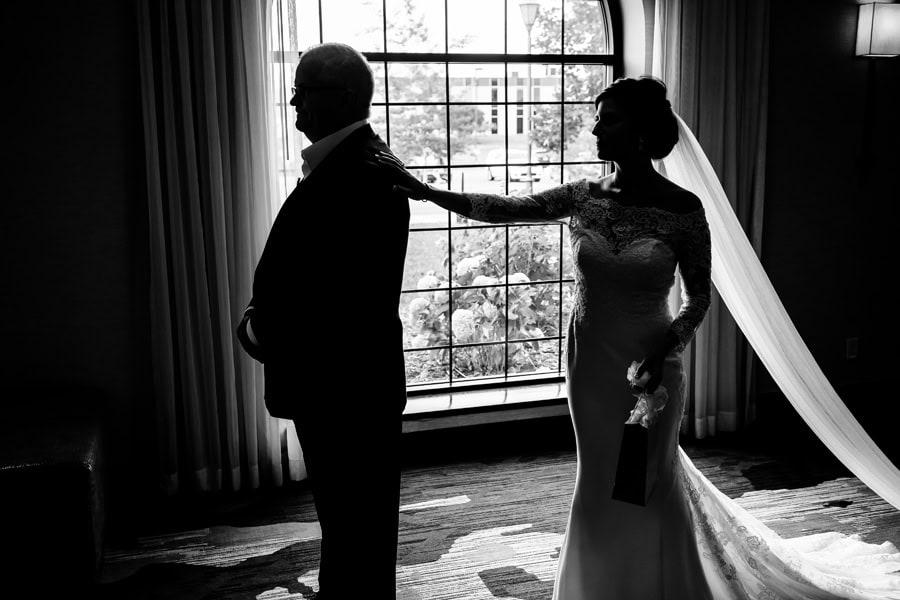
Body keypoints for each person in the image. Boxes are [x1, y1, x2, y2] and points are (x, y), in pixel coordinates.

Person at [373, 76, 900, 599]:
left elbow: (698, 301)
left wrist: (662, 350)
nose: (596, 126)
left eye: (610, 117)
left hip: (651, 369)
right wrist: (427, 192)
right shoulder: (583, 196)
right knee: (602, 480)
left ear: (643, 131)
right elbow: (507, 208)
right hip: (591, 366)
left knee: (642, 484)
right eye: (597, 116)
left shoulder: (684, 210)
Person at [237, 42, 409, 599]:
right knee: (350, 525)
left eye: (303, 90)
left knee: (356, 527)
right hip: (344, 385)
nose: (292, 101)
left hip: (343, 390)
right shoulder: (345, 164)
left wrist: (260, 332)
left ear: (339, 98)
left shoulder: (361, 174)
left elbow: (345, 302)